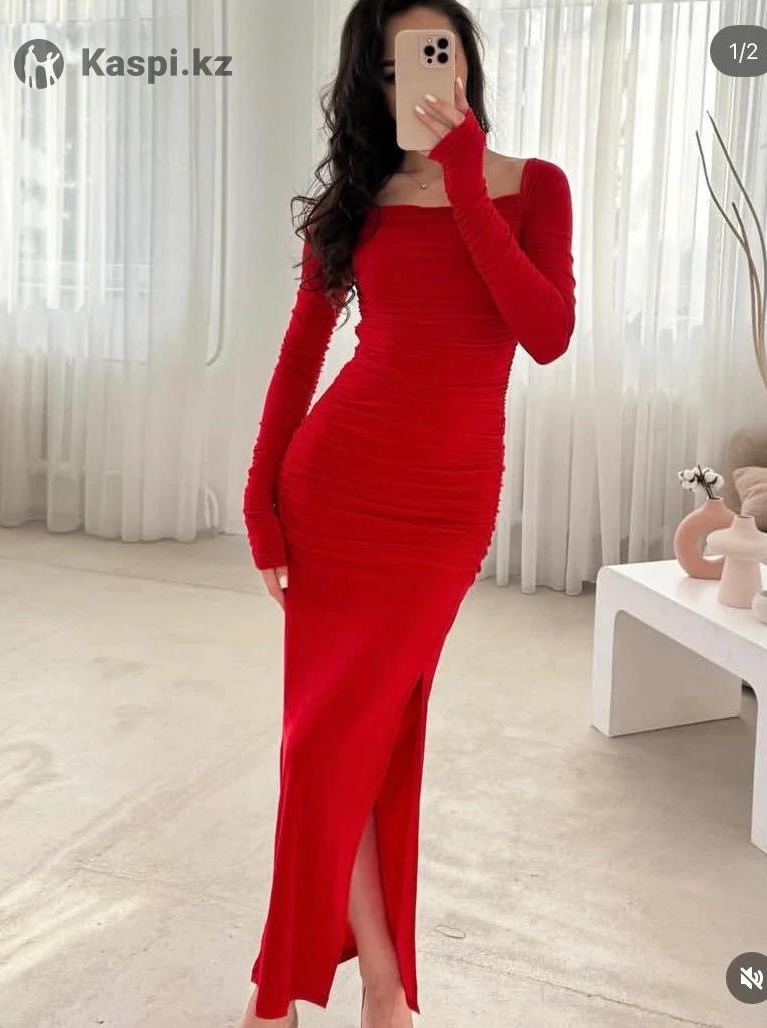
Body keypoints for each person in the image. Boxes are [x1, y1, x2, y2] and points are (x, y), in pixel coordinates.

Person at [239, 1, 575, 1025]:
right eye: (396, 67)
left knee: (356, 740)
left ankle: (293, 992)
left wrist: (466, 180)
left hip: (443, 510)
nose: (424, 77)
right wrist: (259, 498)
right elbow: (301, 354)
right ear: (371, 85)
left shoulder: (534, 187)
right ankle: (372, 988)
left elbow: (546, 331)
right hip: (334, 489)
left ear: (467, 62)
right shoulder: (359, 201)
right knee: (328, 744)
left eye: (439, 52)